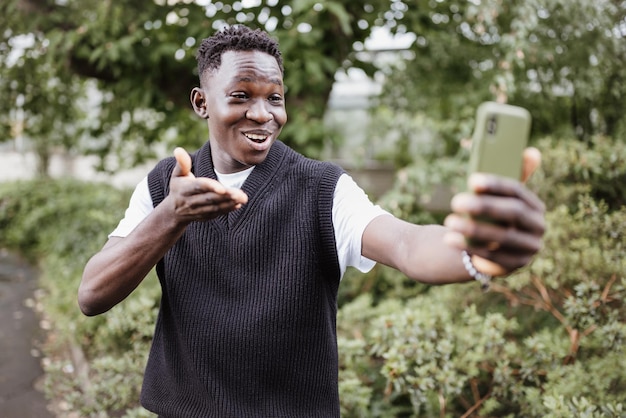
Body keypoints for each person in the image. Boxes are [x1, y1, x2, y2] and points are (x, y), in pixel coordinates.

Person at [78, 25, 545, 417]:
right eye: (241, 96)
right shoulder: (165, 184)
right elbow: (92, 295)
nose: (262, 114)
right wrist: (171, 218)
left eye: (274, 98)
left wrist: (475, 252)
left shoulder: (322, 188)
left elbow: (405, 244)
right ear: (202, 102)